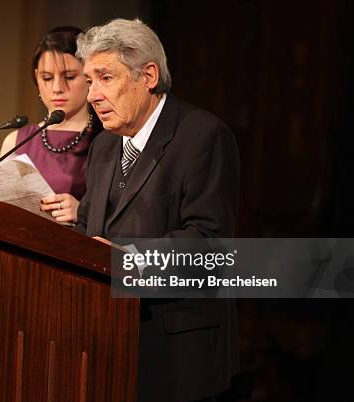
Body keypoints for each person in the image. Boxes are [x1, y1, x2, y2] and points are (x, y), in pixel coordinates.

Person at [76, 19, 240, 402]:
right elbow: (87, 229)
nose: (93, 95)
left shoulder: (203, 135)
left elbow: (209, 243)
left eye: (105, 78)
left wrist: (124, 263)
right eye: (89, 81)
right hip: (107, 347)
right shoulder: (103, 147)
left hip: (177, 356)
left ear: (148, 75)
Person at [0, 26, 101, 224]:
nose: (57, 88)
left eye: (69, 77)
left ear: (89, 77)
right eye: (46, 78)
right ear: (36, 77)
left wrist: (84, 213)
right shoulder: (15, 141)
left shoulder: (109, 140)